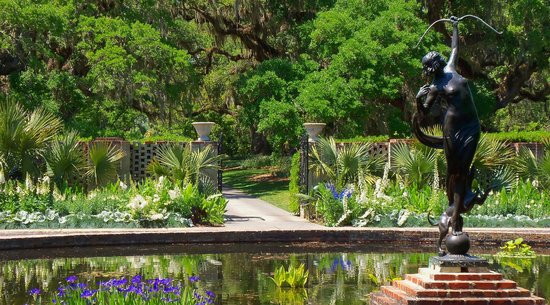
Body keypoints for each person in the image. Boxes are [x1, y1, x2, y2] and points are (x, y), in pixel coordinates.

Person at [413, 16, 487, 254]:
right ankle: (455, 219)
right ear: (431, 66)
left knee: (464, 171)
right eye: (435, 59)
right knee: (457, 173)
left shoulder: (450, 68)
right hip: (453, 131)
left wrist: (454, 26)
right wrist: (417, 101)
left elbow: (455, 47)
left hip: (471, 127)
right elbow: (424, 113)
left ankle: (456, 211)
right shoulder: (435, 87)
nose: (440, 59)